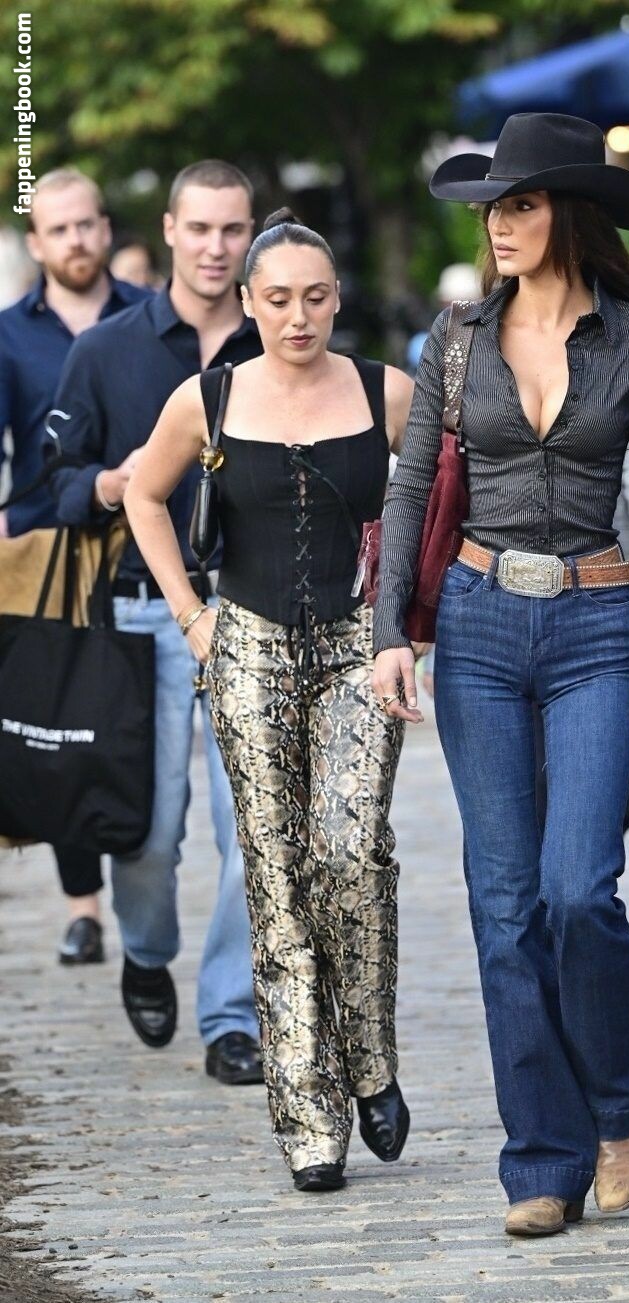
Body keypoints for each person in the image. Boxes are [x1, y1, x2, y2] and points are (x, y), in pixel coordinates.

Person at [372, 112, 629, 1236]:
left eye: (519, 205)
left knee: (577, 891)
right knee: (504, 906)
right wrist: (388, 631)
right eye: (492, 208)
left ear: (569, 213)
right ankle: (541, 1160)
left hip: (596, 626)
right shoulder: (456, 339)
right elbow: (411, 487)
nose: (498, 226)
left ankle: (620, 1104)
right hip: (479, 627)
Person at [124, 209, 415, 1191]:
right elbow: (144, 495)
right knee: (275, 870)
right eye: (279, 299)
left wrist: (407, 618)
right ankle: (308, 1113)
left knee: (351, 850)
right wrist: (190, 615)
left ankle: (369, 1056)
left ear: (337, 301)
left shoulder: (384, 390)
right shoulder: (208, 397)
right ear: (248, 303)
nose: (299, 317)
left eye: (316, 298)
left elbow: (439, 497)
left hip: (355, 646)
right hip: (244, 644)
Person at [48, 160, 263, 1086]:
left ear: (251, 234)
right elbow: (52, 485)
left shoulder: (279, 340)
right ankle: (144, 948)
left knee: (252, 825)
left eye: (233, 229)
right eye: (200, 228)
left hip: (254, 614)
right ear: (169, 230)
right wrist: (113, 482)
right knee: (147, 830)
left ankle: (231, 1013)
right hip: (139, 615)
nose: (216, 248)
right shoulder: (106, 350)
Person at [0, 168, 150, 964]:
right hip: (44, 545)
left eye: (86, 224)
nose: (76, 240)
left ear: (106, 226)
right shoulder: (8, 332)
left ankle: (138, 874)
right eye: (58, 229)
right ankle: (83, 905)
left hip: (142, 540)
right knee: (63, 710)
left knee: (124, 709)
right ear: (37, 242)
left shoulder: (147, 316)